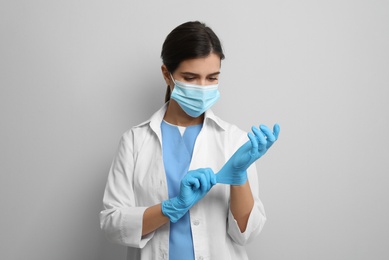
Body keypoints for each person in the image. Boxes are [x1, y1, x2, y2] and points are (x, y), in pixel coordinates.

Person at [99, 21, 280, 260]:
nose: (203, 88)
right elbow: (112, 224)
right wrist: (171, 207)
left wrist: (239, 177)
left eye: (212, 78)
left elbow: (246, 235)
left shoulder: (234, 140)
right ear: (167, 74)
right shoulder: (134, 141)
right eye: (191, 77)